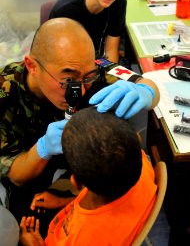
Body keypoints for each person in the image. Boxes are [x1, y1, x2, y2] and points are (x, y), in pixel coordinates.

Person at [0, 18, 159, 237]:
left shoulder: (92, 65)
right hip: (30, 165)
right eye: (68, 79)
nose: (81, 91)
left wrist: (146, 93)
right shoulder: (4, 92)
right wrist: (42, 149)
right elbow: (17, 175)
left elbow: (145, 82)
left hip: (78, 160)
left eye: (88, 78)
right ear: (32, 66)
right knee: (29, 223)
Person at [19, 106, 157, 246]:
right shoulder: (139, 160)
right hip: (82, 215)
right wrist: (63, 202)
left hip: (50, 238)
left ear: (76, 182)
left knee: (20, 211)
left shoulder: (81, 239)